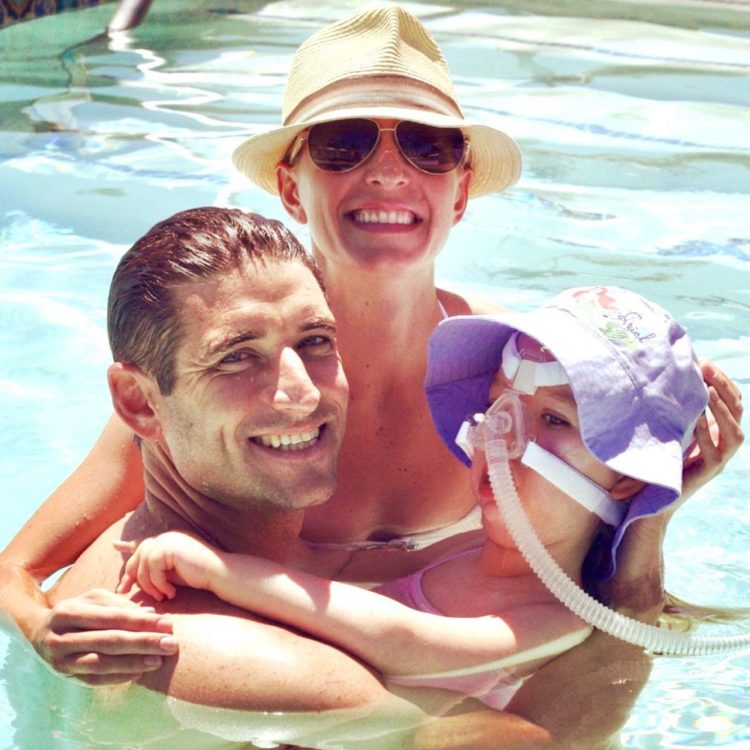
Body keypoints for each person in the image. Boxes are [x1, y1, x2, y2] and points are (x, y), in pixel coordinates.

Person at [0, 5, 742, 746]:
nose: (388, 171)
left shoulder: (520, 372)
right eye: (344, 144)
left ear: (461, 186)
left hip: (418, 659)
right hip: (269, 660)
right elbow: (19, 570)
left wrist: (654, 508)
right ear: (291, 188)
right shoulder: (213, 388)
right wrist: (46, 630)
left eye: (427, 146)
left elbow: (599, 592)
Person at [115, 285, 711, 712]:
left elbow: (405, 645)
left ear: (627, 476)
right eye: (499, 404)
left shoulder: (560, 617)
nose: (502, 434)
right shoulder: (457, 553)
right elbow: (321, 567)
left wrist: (224, 572)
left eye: (554, 420)